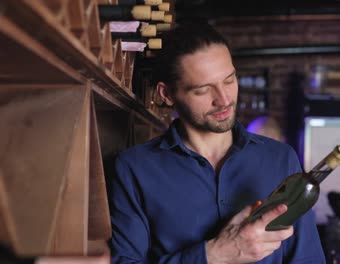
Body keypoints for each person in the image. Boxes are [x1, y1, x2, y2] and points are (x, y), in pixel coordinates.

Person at [108, 23, 325, 263]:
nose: (223, 100)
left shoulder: (281, 158)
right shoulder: (133, 168)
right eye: (203, 90)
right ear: (167, 95)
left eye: (229, 80)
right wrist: (213, 255)